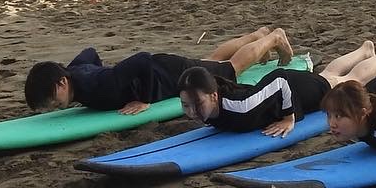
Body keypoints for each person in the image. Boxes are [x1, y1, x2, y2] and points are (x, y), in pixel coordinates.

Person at [23, 27, 294, 115]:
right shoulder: (75, 73)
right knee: (210, 60)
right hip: (164, 66)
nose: (56, 108)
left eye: (53, 102)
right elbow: (90, 52)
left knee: (229, 70)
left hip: (165, 72)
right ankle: (257, 34)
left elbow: (142, 59)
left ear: (61, 83)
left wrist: (146, 99)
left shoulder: (101, 86)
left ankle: (274, 37)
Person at [179, 40, 376, 137]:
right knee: (327, 77)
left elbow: (279, 80)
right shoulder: (211, 108)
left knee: (349, 82)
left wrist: (289, 118)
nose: (191, 112)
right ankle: (365, 50)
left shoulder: (240, 106)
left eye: (197, 104)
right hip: (289, 89)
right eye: (185, 106)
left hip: (293, 88)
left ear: (213, 96)